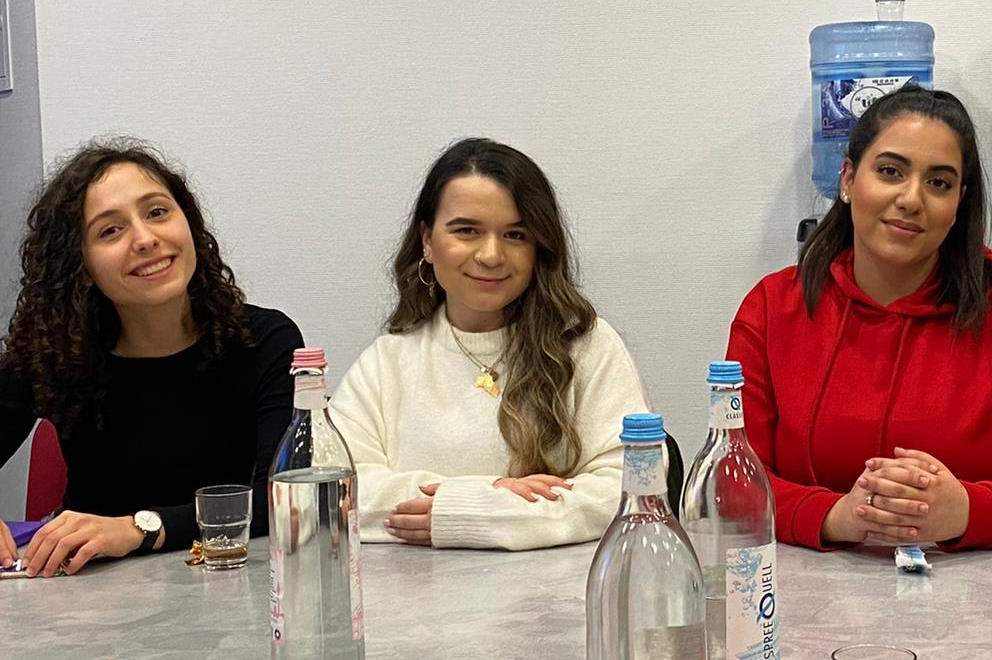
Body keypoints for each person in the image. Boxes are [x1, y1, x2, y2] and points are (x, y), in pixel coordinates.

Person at [329, 138, 679, 551]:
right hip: (412, 590)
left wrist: (479, 514)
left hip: (561, 588)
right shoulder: (387, 361)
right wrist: (484, 493)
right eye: (467, 231)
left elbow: (631, 485)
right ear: (427, 241)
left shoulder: (587, 346)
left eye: (515, 234)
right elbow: (335, 493)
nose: (491, 255)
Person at [0, 139, 303, 575]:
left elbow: (284, 498)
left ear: (189, 223)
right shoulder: (54, 354)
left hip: (233, 580)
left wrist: (140, 529)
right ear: (79, 263)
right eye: (110, 231)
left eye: (157, 212)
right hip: (88, 595)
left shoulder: (266, 341)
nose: (145, 240)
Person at [727, 87, 992, 551]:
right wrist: (839, 517)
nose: (911, 199)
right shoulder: (771, 308)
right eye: (890, 171)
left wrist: (967, 511)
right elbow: (732, 483)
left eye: (939, 183)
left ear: (958, 204)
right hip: (805, 583)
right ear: (848, 179)